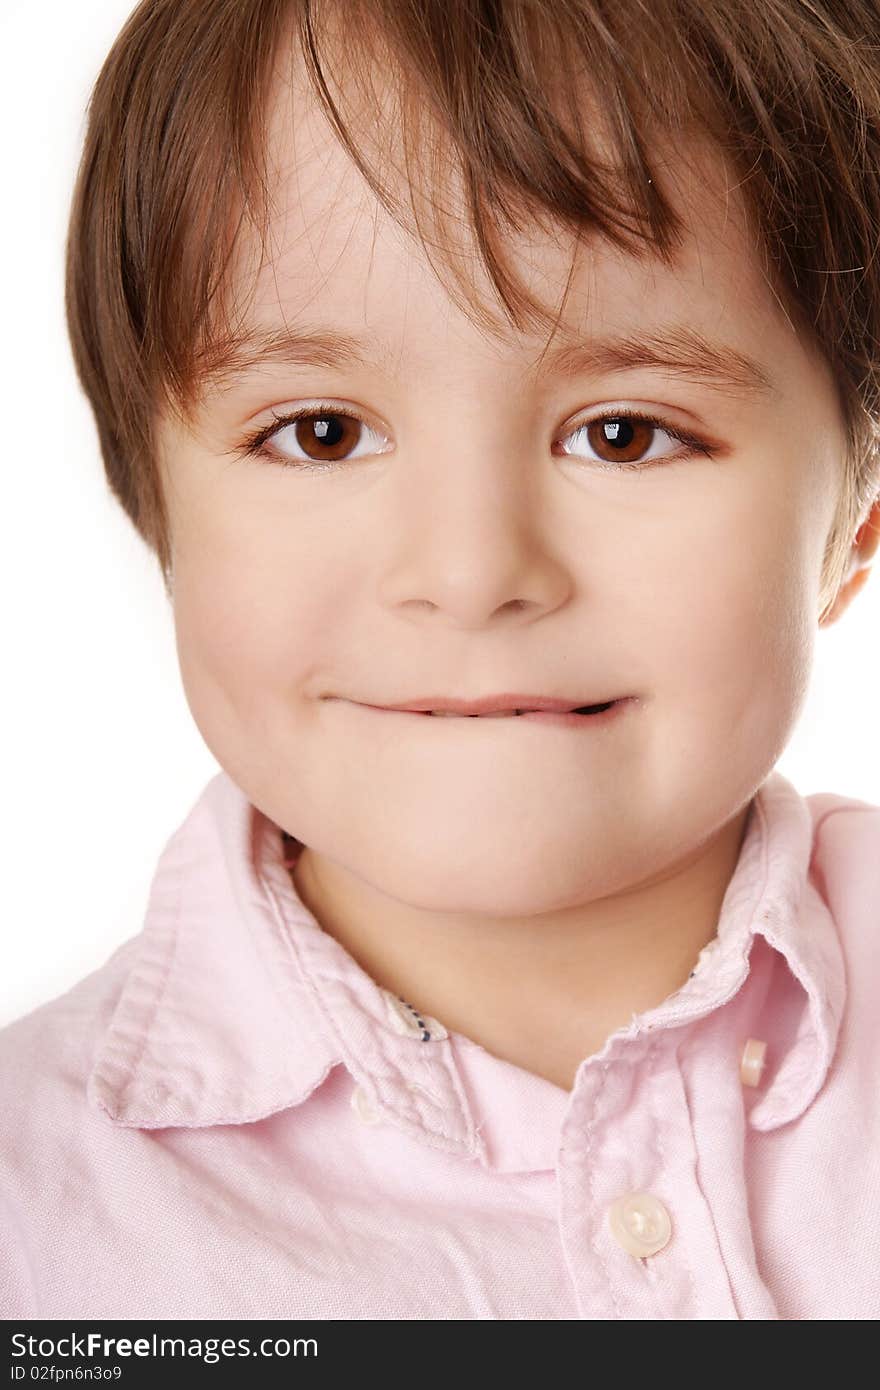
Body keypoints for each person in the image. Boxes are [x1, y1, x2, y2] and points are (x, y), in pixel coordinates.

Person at [2, 0, 879, 1321]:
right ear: (155, 512)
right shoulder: (37, 1219)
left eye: (627, 434)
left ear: (854, 524)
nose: (471, 574)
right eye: (320, 432)